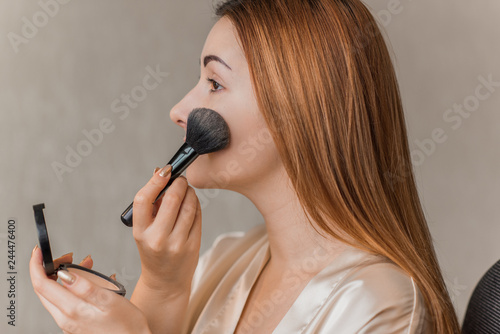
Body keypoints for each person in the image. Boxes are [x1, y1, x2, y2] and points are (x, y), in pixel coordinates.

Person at [30, 0, 461, 333]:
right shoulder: (224, 259)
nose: (179, 110)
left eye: (215, 83)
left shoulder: (380, 306)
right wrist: (164, 286)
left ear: (299, 112)